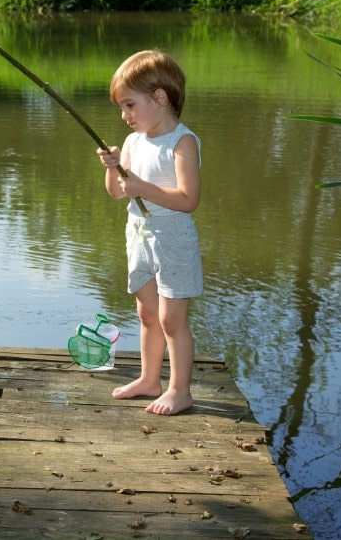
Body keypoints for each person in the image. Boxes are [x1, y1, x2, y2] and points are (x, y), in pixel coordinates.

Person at [96, 50, 202, 416]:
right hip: (139, 236)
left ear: (159, 98)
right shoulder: (132, 143)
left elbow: (189, 200)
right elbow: (115, 192)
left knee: (173, 320)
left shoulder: (181, 142)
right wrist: (113, 168)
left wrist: (142, 188)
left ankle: (180, 390)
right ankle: (149, 379)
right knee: (147, 314)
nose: (124, 116)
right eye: (121, 108)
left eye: (129, 105)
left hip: (172, 241)